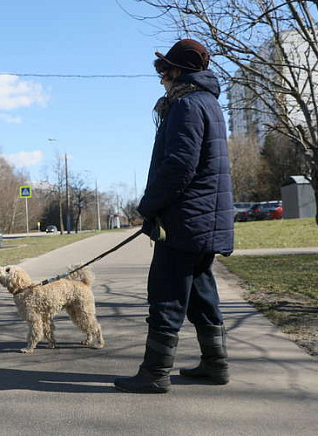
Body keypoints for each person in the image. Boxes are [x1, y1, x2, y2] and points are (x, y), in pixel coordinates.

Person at [114, 39, 234, 394]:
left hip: (185, 222)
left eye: (164, 70)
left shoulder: (186, 106)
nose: (161, 77)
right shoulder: (208, 103)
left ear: (177, 71)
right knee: (200, 292)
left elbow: (180, 166)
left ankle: (154, 373)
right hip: (203, 221)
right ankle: (216, 364)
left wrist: (149, 206)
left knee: (166, 293)